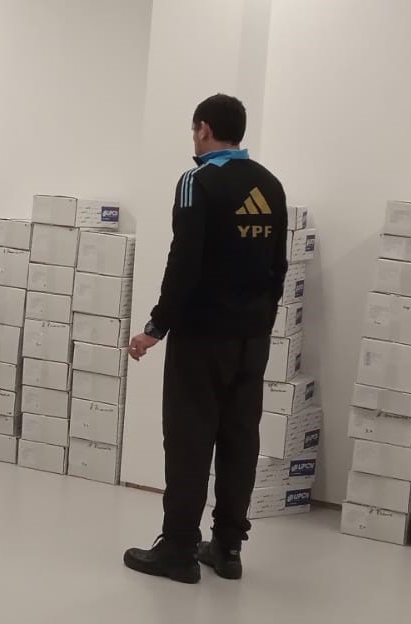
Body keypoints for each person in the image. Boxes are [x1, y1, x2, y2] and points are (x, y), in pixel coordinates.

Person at [122, 94, 288, 583]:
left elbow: (185, 262)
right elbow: (279, 265)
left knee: (189, 440)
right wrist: (261, 321)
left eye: (194, 130)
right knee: (240, 438)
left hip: (201, 338)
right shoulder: (270, 184)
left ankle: (177, 549)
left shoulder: (197, 181)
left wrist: (156, 327)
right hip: (252, 338)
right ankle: (228, 548)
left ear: (204, 129)